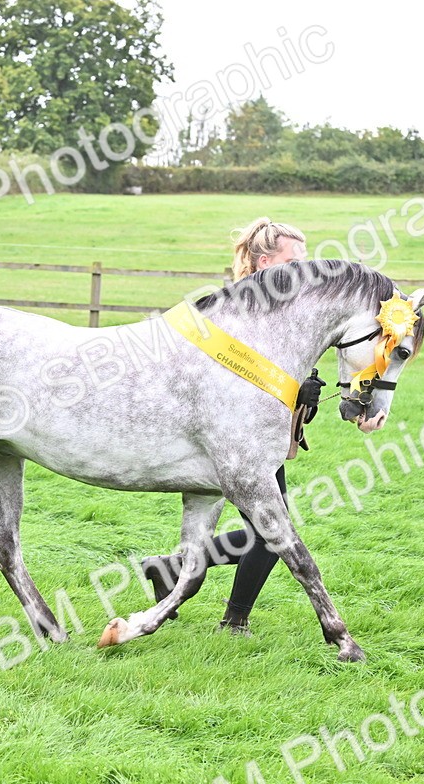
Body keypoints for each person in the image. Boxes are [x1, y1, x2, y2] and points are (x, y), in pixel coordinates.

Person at [141, 217, 323, 634]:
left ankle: (177, 572)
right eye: (294, 261)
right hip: (233, 436)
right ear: (264, 263)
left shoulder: (282, 315)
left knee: (271, 531)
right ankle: (232, 617)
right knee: (272, 533)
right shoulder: (235, 312)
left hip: (257, 434)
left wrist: (302, 391)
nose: (304, 270)